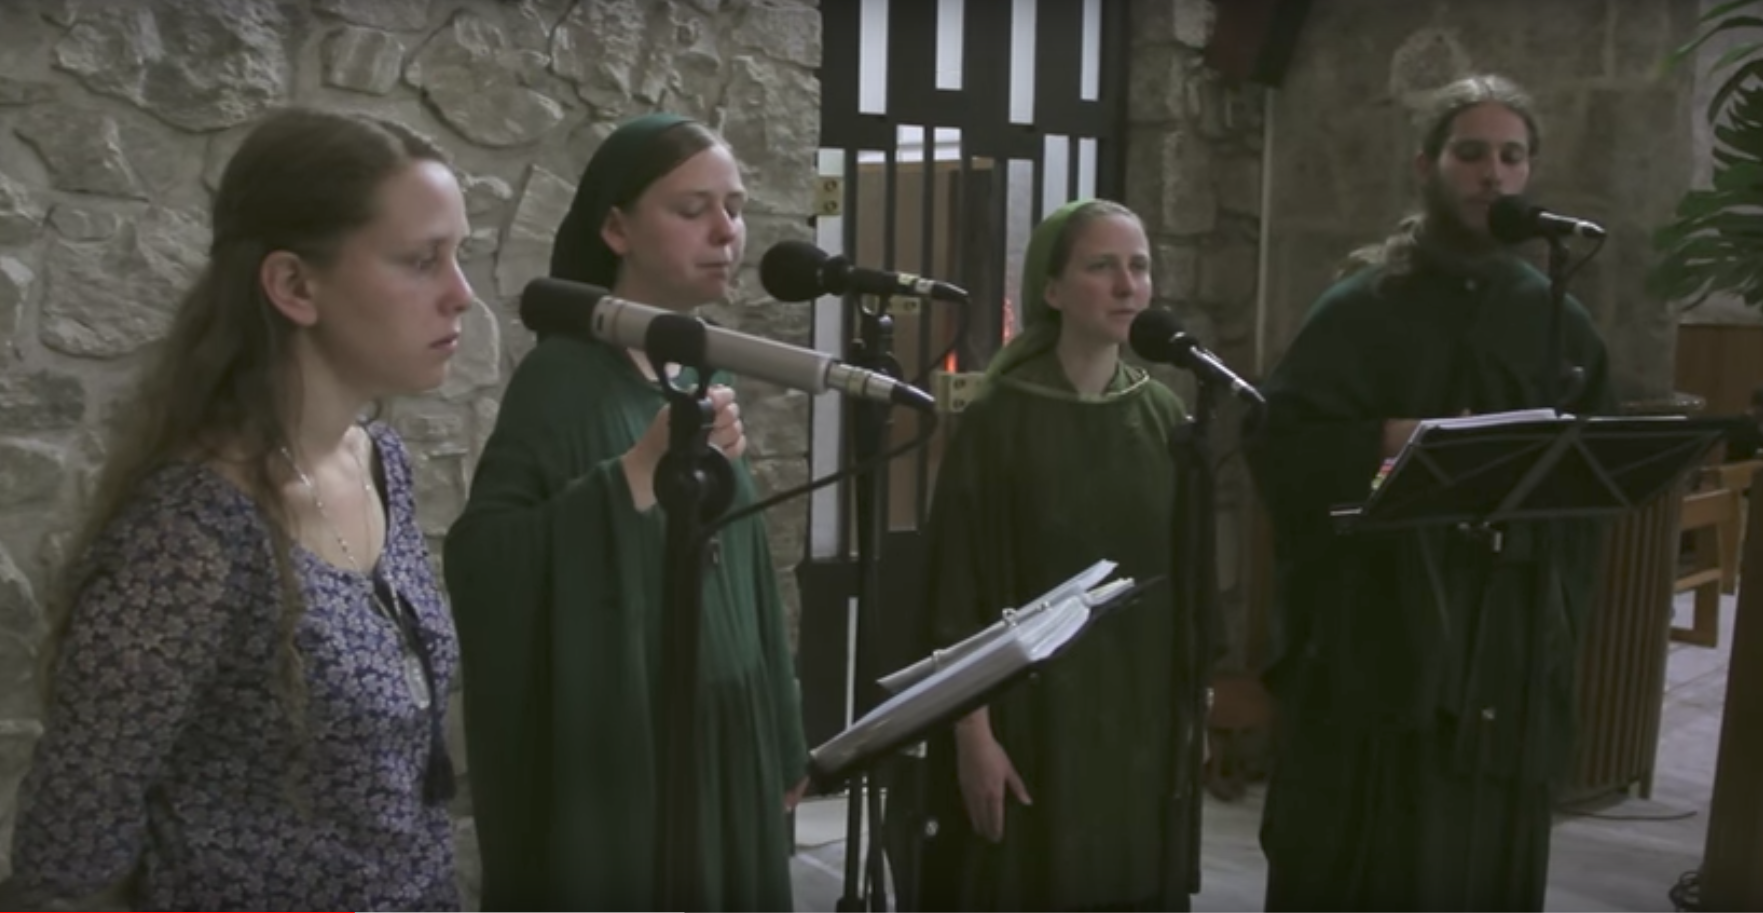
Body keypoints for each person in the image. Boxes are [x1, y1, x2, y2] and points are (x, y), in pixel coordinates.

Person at [0, 107, 473, 910]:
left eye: (458, 255)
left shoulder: (381, 461)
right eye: (422, 261)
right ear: (294, 285)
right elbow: (68, 856)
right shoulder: (190, 534)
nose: (461, 295)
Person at [1246, 73, 1616, 911]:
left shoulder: (1555, 318)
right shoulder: (1361, 307)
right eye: (1471, 152)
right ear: (1426, 165)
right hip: (1377, 640)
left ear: (1530, 172)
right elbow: (1279, 442)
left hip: (1503, 650)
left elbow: (1590, 485)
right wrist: (1389, 439)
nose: (1493, 173)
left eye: (1511, 156)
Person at [441, 112, 808, 910]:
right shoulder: (562, 380)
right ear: (615, 228)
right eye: (692, 209)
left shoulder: (707, 370)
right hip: (634, 759)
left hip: (728, 737)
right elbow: (483, 565)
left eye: (735, 208)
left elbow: (746, 564)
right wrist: (632, 477)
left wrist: (780, 734)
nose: (726, 232)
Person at [913, 198, 1195, 912]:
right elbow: (957, 591)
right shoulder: (998, 420)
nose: (1127, 286)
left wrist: (1195, 709)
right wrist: (973, 736)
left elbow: (1185, 584)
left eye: (1139, 267)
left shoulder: (1164, 417)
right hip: (1030, 722)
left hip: (1137, 718)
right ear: (1052, 289)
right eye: (1102, 267)